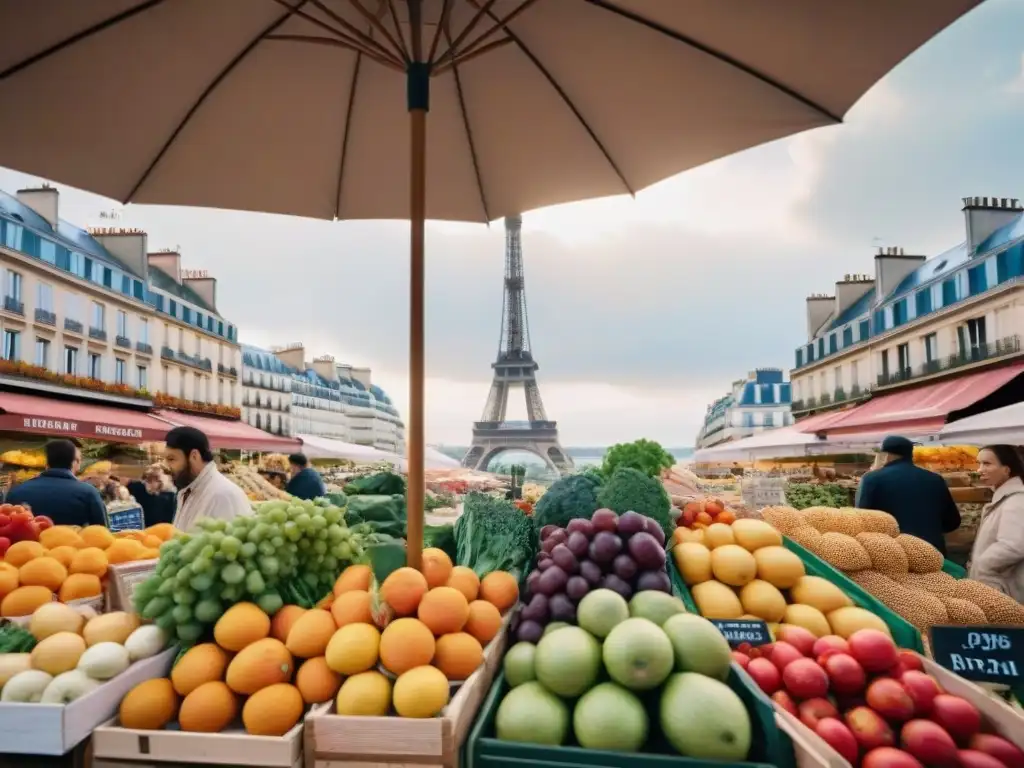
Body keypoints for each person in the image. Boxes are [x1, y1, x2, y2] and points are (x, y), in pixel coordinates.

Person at [855, 435, 961, 554]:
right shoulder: (936, 479)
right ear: (910, 454)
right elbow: (953, 521)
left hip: (893, 555)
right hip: (933, 554)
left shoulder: (872, 479)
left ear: (885, 455)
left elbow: (861, 521)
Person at [164, 426, 251, 531]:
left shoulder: (225, 495)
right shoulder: (186, 490)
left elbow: (234, 544)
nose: (166, 466)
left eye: (171, 459)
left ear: (194, 456)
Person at [6, 439, 107, 527]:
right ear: (74, 463)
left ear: (47, 463)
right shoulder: (88, 493)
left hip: (24, 548)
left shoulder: (16, 492)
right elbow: (102, 533)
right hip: (72, 548)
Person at [968, 445, 1024, 602]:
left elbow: (1013, 545)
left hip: (1005, 593)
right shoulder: (1005, 498)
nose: (980, 470)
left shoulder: (1016, 501)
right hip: (998, 590)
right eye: (979, 464)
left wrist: (982, 566)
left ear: (1006, 469)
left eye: (987, 464)